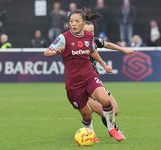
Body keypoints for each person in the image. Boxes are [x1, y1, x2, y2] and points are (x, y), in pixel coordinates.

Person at [44, 9, 125, 141]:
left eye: (77, 21)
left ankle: (112, 128)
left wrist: (104, 65)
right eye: (71, 21)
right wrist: (56, 52)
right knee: (87, 116)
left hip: (90, 77)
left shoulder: (88, 37)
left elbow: (92, 51)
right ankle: (90, 133)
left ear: (83, 22)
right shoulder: (63, 38)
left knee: (105, 100)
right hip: (74, 85)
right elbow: (47, 52)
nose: (73, 24)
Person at [83, 20, 134, 132]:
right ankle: (112, 130)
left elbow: (107, 44)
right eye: (87, 31)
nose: (90, 34)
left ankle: (89, 112)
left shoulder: (94, 41)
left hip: (95, 82)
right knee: (102, 111)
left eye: (92, 31)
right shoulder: (77, 46)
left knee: (114, 110)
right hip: (82, 85)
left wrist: (123, 49)